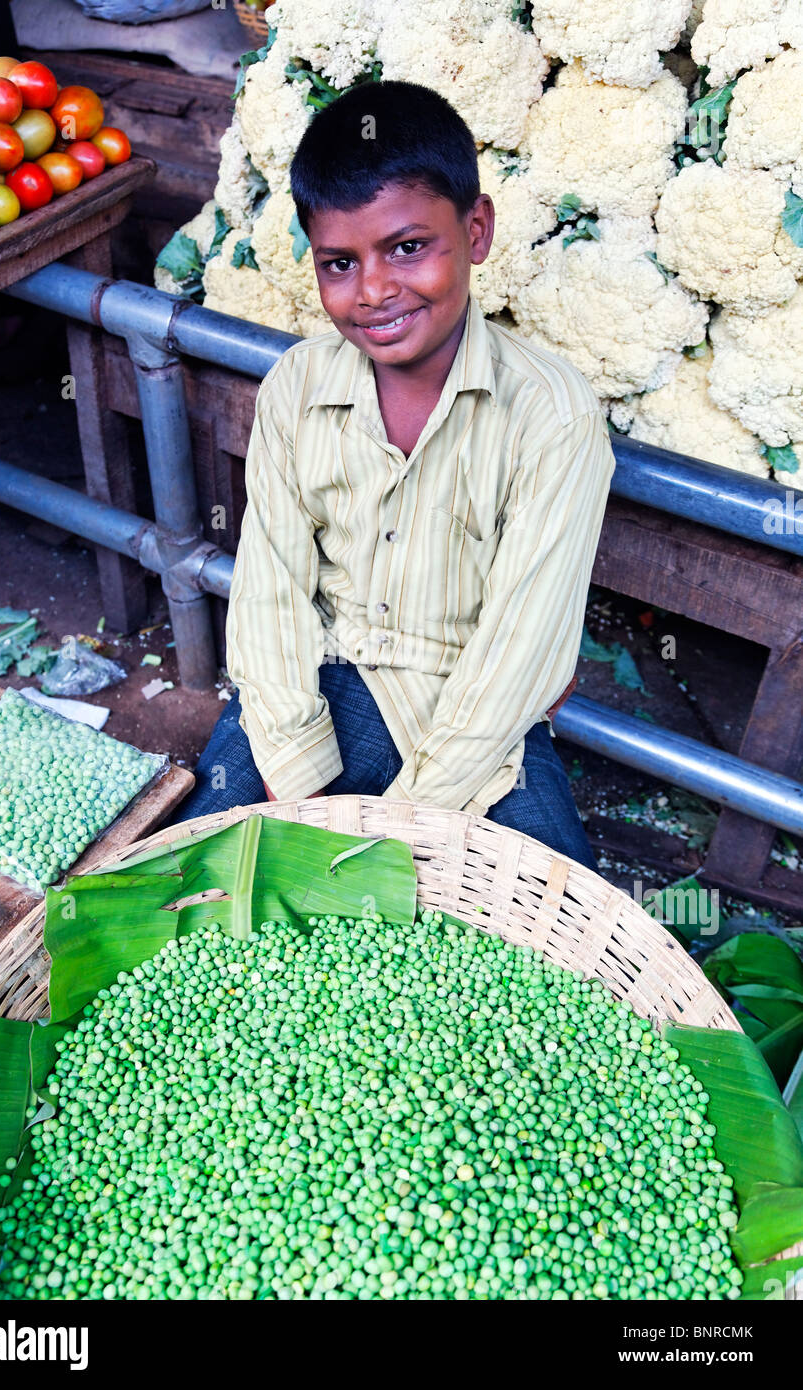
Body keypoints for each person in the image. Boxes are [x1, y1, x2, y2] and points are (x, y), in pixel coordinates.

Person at [174, 80, 615, 871]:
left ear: (476, 231)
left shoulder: (554, 416)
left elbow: (521, 654)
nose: (374, 291)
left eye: (409, 247)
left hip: (472, 722)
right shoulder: (297, 390)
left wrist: (407, 825)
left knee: (548, 943)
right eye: (339, 263)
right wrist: (296, 777)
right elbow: (271, 594)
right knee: (196, 888)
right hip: (320, 686)